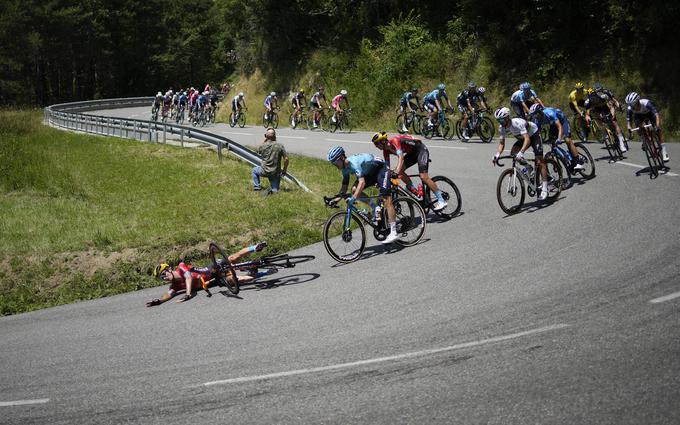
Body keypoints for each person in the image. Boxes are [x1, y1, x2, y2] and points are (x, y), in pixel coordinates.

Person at [146, 242, 268, 306]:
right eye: (162, 279)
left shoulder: (181, 267)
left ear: (168, 270)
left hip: (211, 270)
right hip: (213, 282)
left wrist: (188, 294)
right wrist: (159, 301)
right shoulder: (175, 286)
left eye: (163, 275)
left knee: (232, 258)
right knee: (236, 280)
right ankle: (264, 273)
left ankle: (255, 247)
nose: (165, 278)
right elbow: (168, 294)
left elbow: (188, 277)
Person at [326, 146, 399, 244]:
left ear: (342, 158)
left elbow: (362, 183)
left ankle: (393, 232)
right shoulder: (344, 168)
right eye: (332, 163)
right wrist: (335, 200)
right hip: (369, 173)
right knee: (354, 190)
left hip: (381, 169)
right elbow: (344, 187)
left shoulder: (354, 163)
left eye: (335, 162)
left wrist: (354, 198)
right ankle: (375, 206)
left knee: (386, 198)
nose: (334, 165)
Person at [371, 132, 448, 211]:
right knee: (400, 172)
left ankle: (441, 200)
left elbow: (401, 158)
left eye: (376, 144)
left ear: (383, 141)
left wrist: (396, 171)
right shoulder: (385, 151)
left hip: (420, 149)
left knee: (423, 177)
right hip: (412, 153)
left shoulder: (395, 141)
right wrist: (383, 177)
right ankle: (413, 189)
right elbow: (387, 167)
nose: (376, 146)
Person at [492, 107, 550, 201]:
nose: (500, 123)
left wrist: (522, 152)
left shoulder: (517, 123)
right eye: (498, 120)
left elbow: (527, 140)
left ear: (507, 118)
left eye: (501, 120)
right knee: (513, 154)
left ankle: (544, 188)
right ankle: (529, 167)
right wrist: (497, 154)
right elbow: (502, 143)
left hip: (533, 135)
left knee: (539, 160)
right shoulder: (501, 127)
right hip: (523, 138)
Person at [528, 103, 584, 171]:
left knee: (567, 140)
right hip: (553, 125)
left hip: (562, 121)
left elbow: (560, 127)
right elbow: (537, 133)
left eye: (535, 114)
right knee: (552, 142)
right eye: (533, 115)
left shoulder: (550, 113)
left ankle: (578, 162)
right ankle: (563, 160)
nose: (535, 117)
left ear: (540, 112)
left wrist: (559, 138)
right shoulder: (537, 120)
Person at [625, 92, 670, 162]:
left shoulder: (646, 103)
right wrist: (629, 129)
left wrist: (657, 126)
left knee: (658, 131)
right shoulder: (629, 109)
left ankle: (664, 151)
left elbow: (657, 115)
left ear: (637, 101)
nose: (632, 106)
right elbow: (628, 122)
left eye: (633, 104)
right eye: (630, 105)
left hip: (649, 114)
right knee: (639, 127)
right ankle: (644, 139)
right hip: (639, 116)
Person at [585, 83, 626, 153]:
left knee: (614, 122)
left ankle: (621, 142)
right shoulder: (589, 101)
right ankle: (604, 132)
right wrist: (587, 116)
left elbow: (612, 104)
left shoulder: (605, 94)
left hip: (606, 107)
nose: (594, 99)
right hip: (596, 109)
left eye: (600, 91)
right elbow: (588, 112)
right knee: (595, 117)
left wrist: (613, 113)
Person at [252, 127, 289, 192]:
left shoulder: (262, 146)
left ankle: (257, 187)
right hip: (275, 172)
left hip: (264, 171)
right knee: (275, 190)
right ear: (275, 136)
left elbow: (258, 151)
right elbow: (286, 159)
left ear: (266, 136)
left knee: (254, 170)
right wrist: (284, 170)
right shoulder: (280, 146)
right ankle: (272, 190)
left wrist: (265, 140)